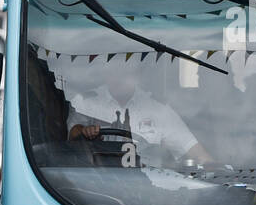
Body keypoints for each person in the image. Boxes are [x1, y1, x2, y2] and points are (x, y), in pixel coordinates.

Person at [66, 67, 211, 168]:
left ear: (137, 76)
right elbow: (71, 135)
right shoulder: (86, 102)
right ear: (106, 73)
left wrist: (216, 169)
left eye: (126, 72)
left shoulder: (158, 108)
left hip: (151, 187)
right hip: (98, 185)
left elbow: (195, 152)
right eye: (115, 71)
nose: (120, 78)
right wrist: (85, 131)